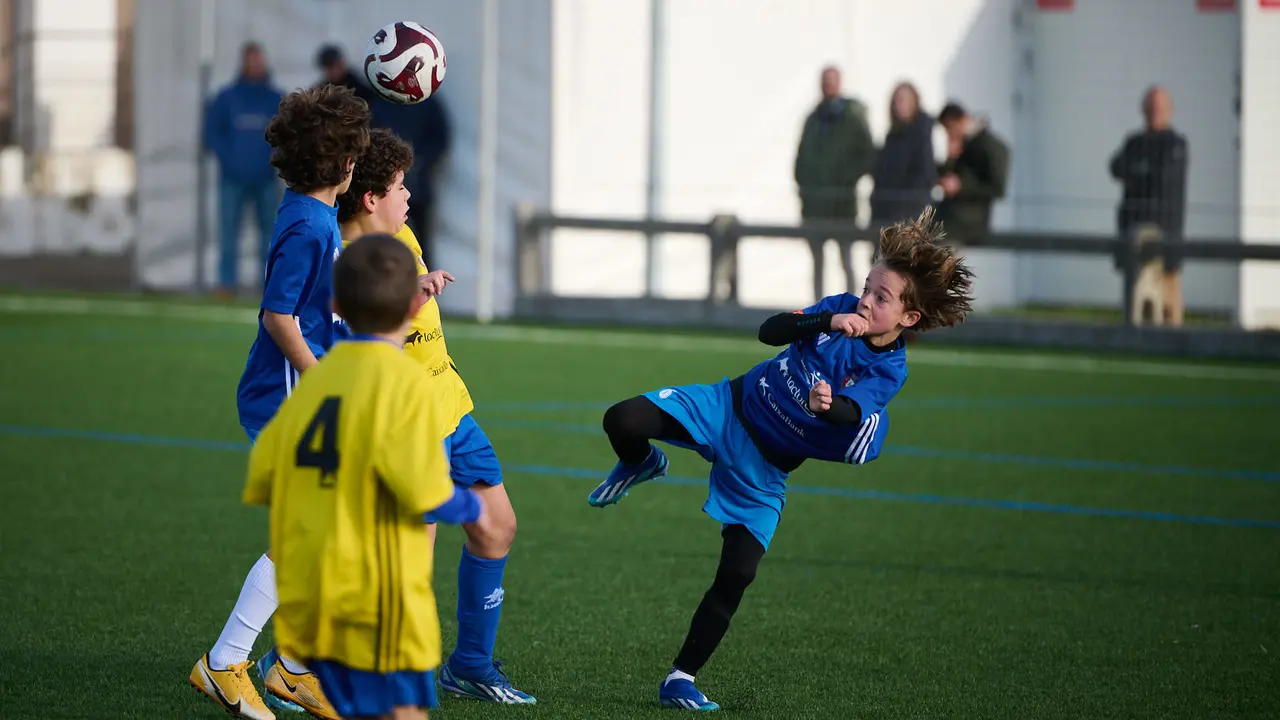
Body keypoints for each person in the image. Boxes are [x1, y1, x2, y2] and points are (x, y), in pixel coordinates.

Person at [587, 208, 975, 712]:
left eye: (882, 298)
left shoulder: (890, 366)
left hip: (763, 468)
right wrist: (828, 318)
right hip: (727, 406)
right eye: (866, 287)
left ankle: (680, 677)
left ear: (908, 318)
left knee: (739, 573)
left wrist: (829, 405)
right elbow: (770, 332)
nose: (865, 300)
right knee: (622, 420)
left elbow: (857, 411)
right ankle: (640, 463)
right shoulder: (839, 309)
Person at [243, 233, 487, 720]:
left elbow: (267, 473)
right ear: (415, 311)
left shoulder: (316, 379)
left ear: (335, 305)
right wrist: (465, 506)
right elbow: (425, 490)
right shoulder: (407, 387)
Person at [189, 84, 371, 720]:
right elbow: (277, 315)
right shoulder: (307, 221)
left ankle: (292, 668)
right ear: (342, 163)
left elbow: (317, 302)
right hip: (286, 397)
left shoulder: (311, 215)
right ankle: (224, 662)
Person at [203, 42, 285, 297]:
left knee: (269, 235)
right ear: (243, 62)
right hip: (232, 178)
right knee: (228, 234)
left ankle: (269, 285)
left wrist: (274, 159)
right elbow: (212, 133)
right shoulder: (227, 97)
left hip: (266, 178)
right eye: (251, 60)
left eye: (258, 60)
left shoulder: (275, 98)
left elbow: (287, 134)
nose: (255, 65)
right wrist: (229, 159)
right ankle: (226, 284)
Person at [1109, 86, 1189, 326]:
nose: (1155, 112)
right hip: (1133, 228)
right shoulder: (1133, 142)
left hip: (1166, 230)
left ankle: (1176, 344)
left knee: (1167, 294)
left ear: (1170, 111)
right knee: (1135, 291)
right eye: (1151, 107)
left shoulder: (1176, 144)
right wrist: (1142, 170)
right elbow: (1116, 166)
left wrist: (1137, 171)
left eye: (1160, 107)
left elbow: (1162, 177)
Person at [794, 65, 875, 300]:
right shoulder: (813, 119)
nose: (827, 85)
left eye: (831, 80)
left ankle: (851, 307)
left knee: (846, 259)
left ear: (840, 83)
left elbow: (866, 154)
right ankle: (818, 310)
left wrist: (845, 179)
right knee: (817, 263)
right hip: (815, 205)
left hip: (842, 204)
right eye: (824, 81)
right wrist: (805, 189)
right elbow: (801, 158)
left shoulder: (852, 117)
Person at [936, 102, 1010, 245]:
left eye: (951, 128)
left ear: (963, 120)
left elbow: (997, 189)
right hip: (950, 217)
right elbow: (946, 178)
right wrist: (951, 158)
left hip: (970, 223)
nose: (950, 134)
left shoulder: (991, 147)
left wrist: (961, 187)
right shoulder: (961, 145)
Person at [870, 82, 937, 226]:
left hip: (909, 216)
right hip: (887, 215)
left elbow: (925, 175)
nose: (899, 105)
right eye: (896, 100)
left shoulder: (924, 133)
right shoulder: (892, 136)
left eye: (903, 99)